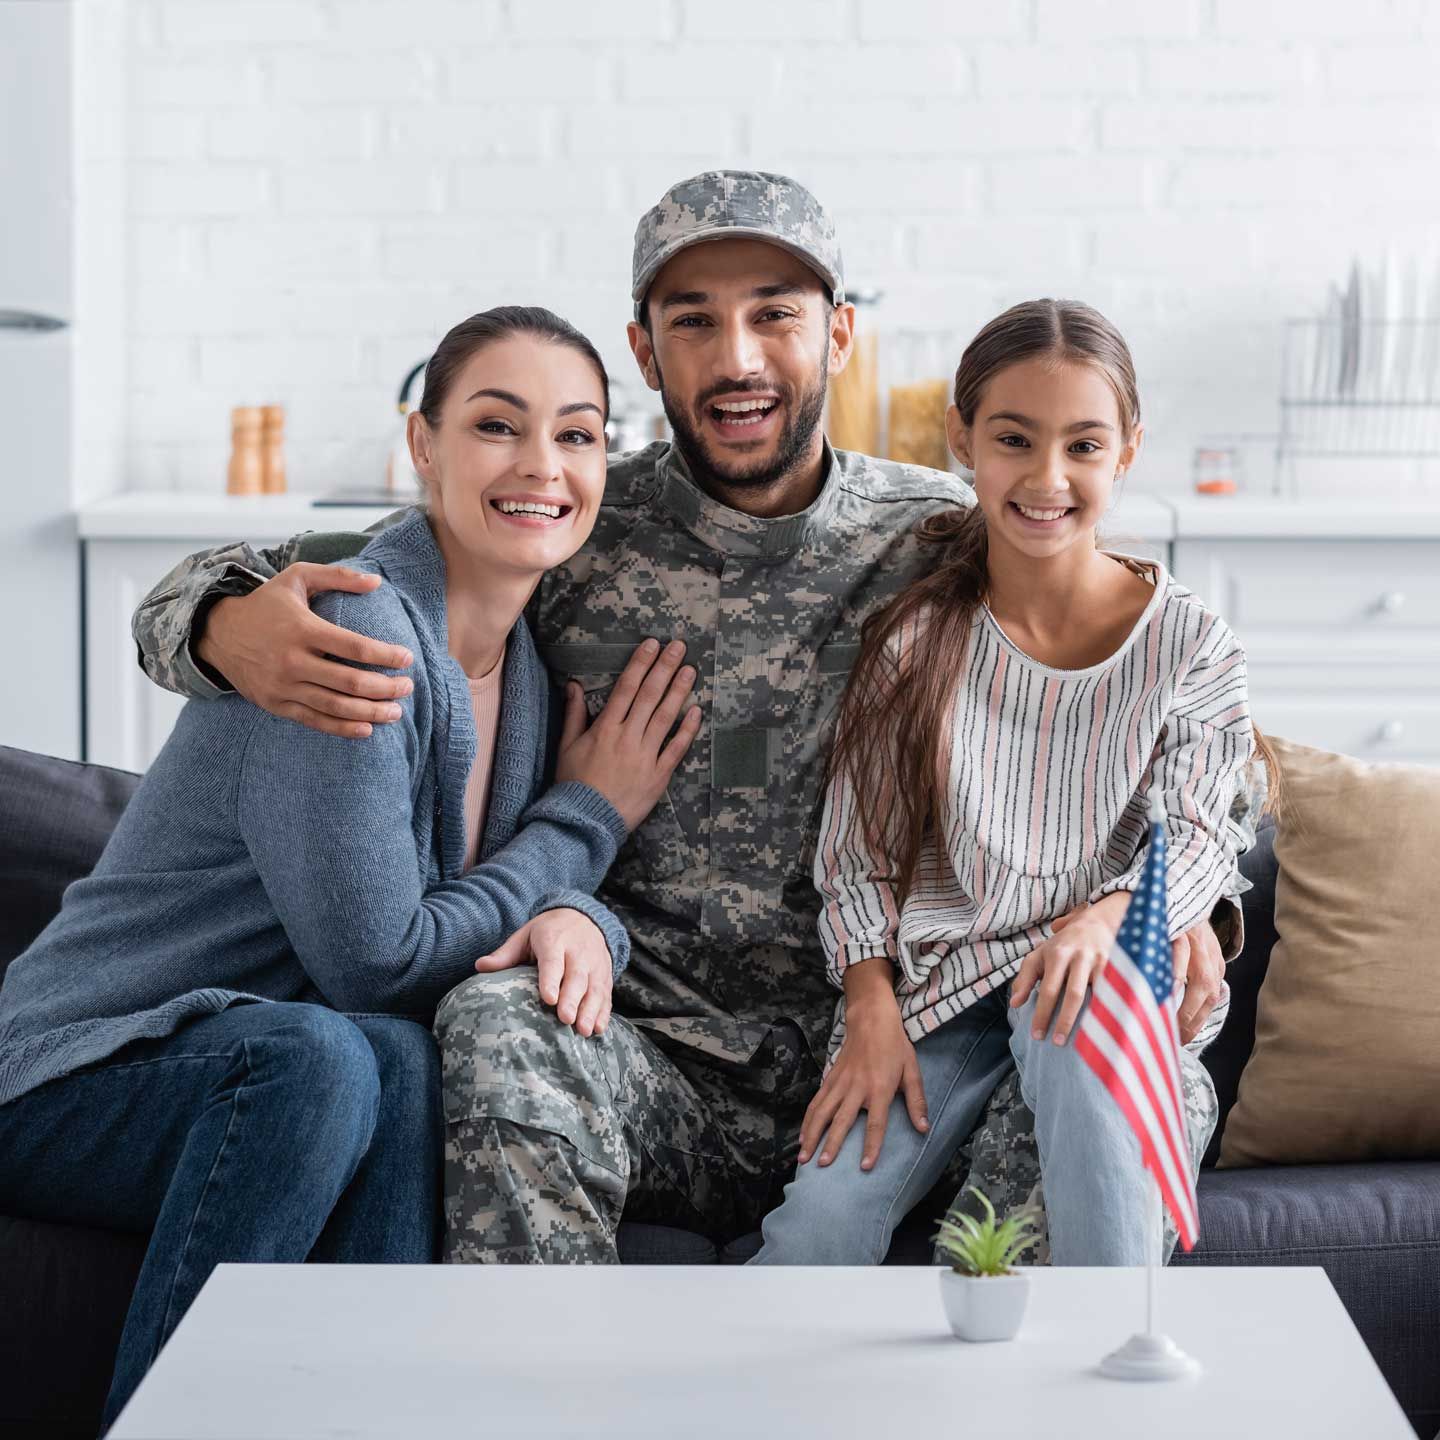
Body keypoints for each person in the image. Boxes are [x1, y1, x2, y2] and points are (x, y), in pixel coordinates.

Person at [126, 172, 1243, 1266]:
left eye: (776, 317)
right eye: (695, 322)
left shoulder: (945, 534)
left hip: (901, 1055)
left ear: (839, 337)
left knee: (1147, 1083)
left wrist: (1180, 913)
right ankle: (552, 1390)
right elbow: (274, 583)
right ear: (645, 351)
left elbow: (1155, 721)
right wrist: (222, 625)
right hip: (643, 1052)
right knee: (496, 1028)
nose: (739, 358)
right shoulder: (562, 514)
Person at [0, 304, 696, 1423]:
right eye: (496, 426)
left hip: (269, 1060)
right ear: (423, 448)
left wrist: (582, 914)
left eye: (576, 434)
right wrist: (584, 821)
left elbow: (491, 926)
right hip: (70, 1071)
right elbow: (381, 960)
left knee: (398, 1065)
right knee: (323, 1056)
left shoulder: (518, 666)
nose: (542, 466)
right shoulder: (346, 638)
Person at [752, 299, 1258, 1267]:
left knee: (1087, 1017)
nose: (1046, 478)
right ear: (963, 439)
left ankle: (1111, 1374)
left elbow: (1200, 832)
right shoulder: (917, 643)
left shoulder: (1190, 642)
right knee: (816, 1230)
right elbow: (856, 860)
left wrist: (1102, 919)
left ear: (1127, 451)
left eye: (1082, 445)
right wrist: (870, 1010)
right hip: (941, 993)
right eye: (1014, 440)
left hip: (1086, 973)